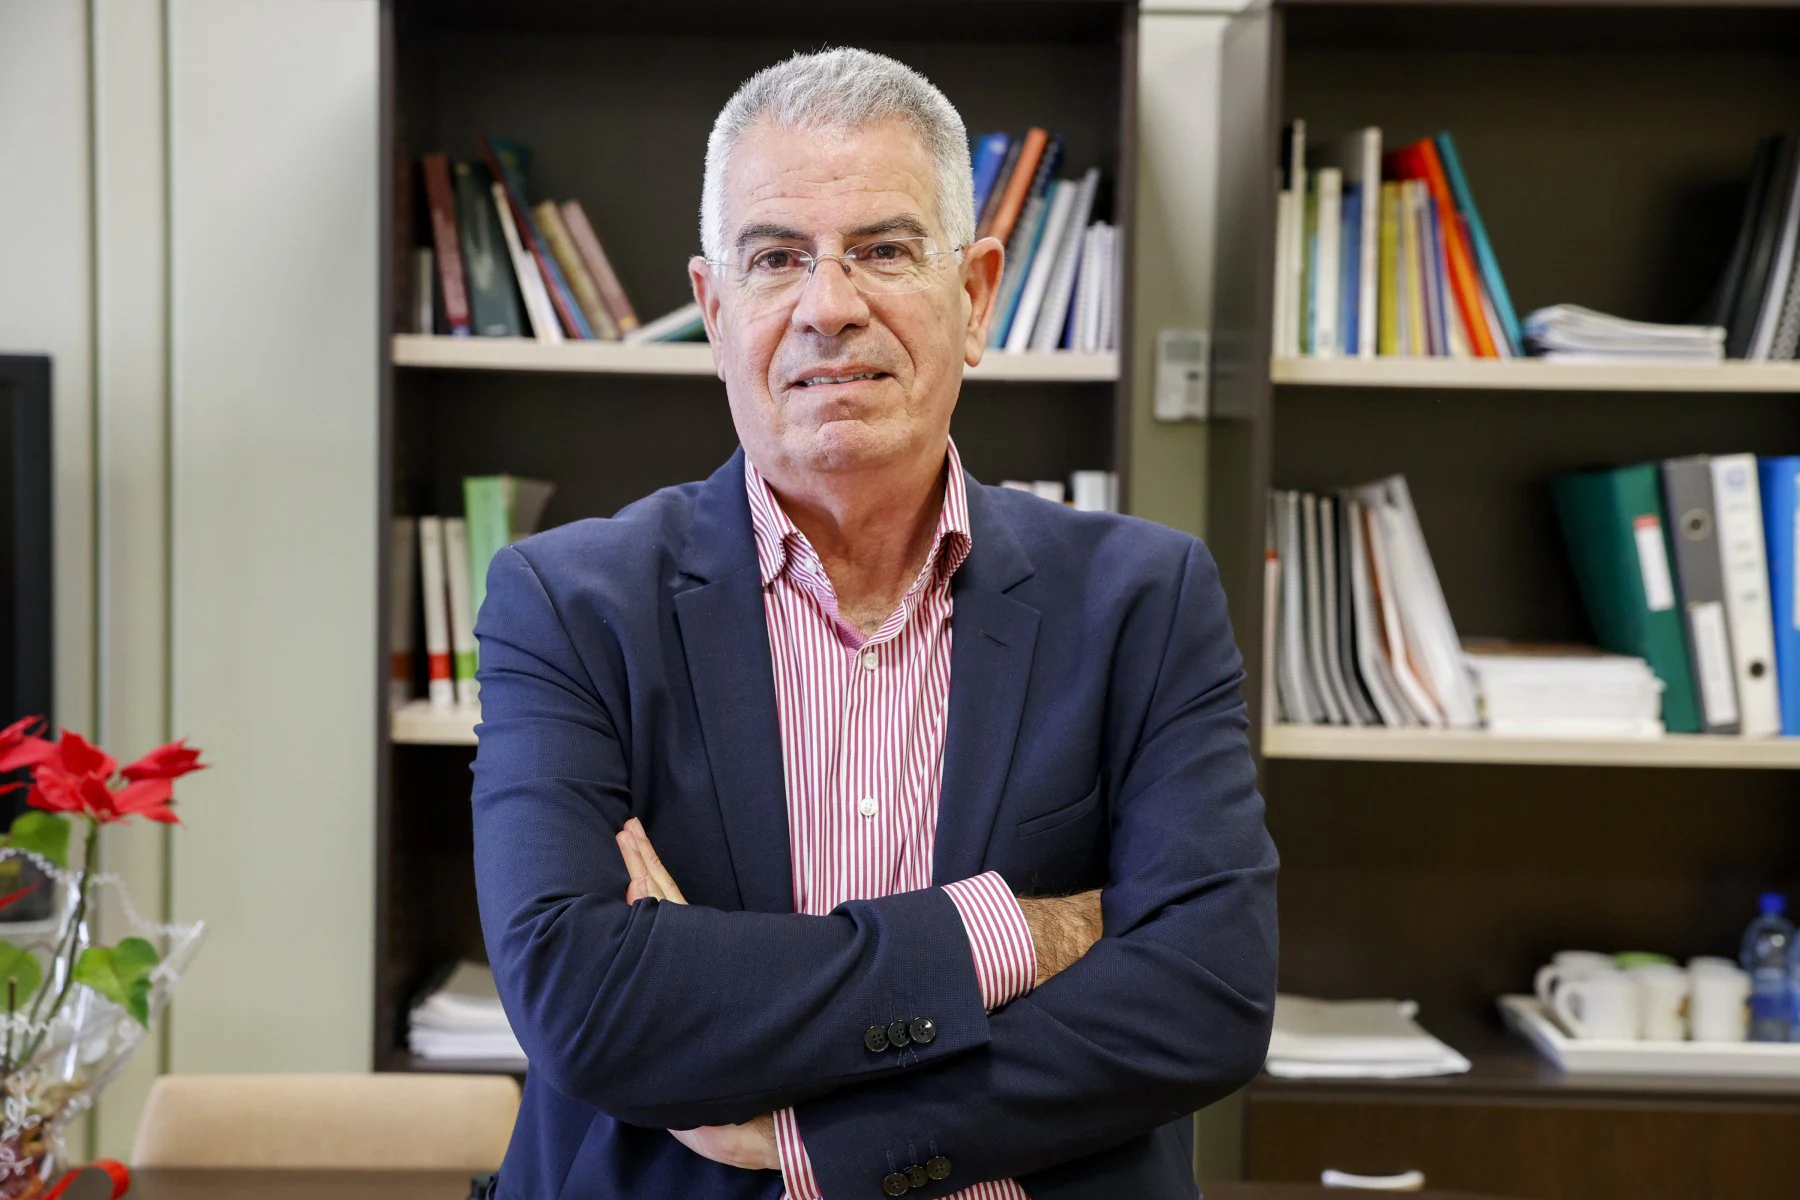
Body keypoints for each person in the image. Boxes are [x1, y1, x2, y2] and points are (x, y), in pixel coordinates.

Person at [470, 47, 1277, 1200]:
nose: (828, 307)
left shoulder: (1144, 600)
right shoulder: (566, 605)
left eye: (886, 251)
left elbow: (1209, 999)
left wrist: (817, 1135)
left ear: (978, 295)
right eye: (775, 259)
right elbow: (585, 1005)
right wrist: (1012, 937)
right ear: (713, 312)